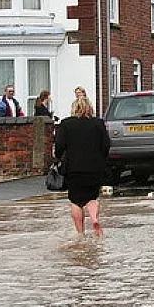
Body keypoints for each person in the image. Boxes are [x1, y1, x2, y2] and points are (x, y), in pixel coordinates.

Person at [54, 97, 111, 236]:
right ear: (90, 108)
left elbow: (59, 147)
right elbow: (106, 145)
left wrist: (59, 158)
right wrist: (100, 159)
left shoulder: (66, 124)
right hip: (95, 168)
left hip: (74, 169)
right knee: (92, 198)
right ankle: (94, 219)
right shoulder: (98, 123)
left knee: (76, 201)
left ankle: (80, 234)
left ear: (74, 109)